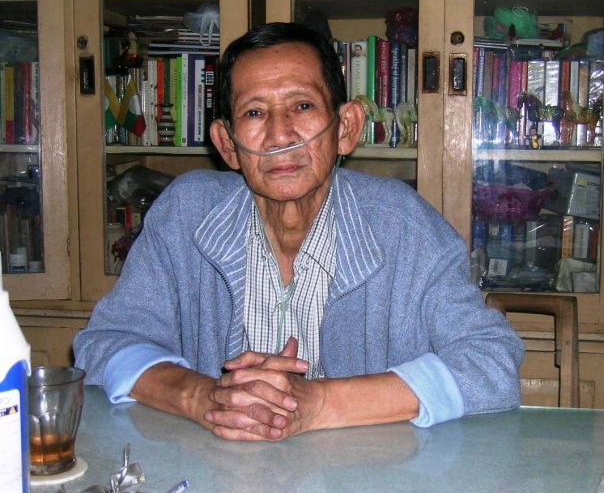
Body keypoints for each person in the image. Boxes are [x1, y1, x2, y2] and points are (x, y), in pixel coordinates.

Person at [74, 22, 524, 442]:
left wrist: (317, 404)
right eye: (254, 112)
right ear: (228, 144)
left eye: (302, 106)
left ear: (345, 128)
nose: (279, 135)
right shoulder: (185, 214)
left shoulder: (404, 227)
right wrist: (203, 397)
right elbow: (105, 343)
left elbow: (491, 363)